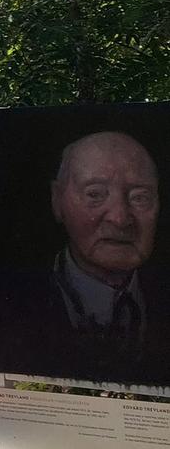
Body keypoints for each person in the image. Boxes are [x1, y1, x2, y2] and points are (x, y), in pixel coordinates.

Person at [13, 131, 165, 380]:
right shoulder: (16, 304)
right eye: (95, 194)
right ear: (57, 199)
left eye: (139, 197)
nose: (120, 218)